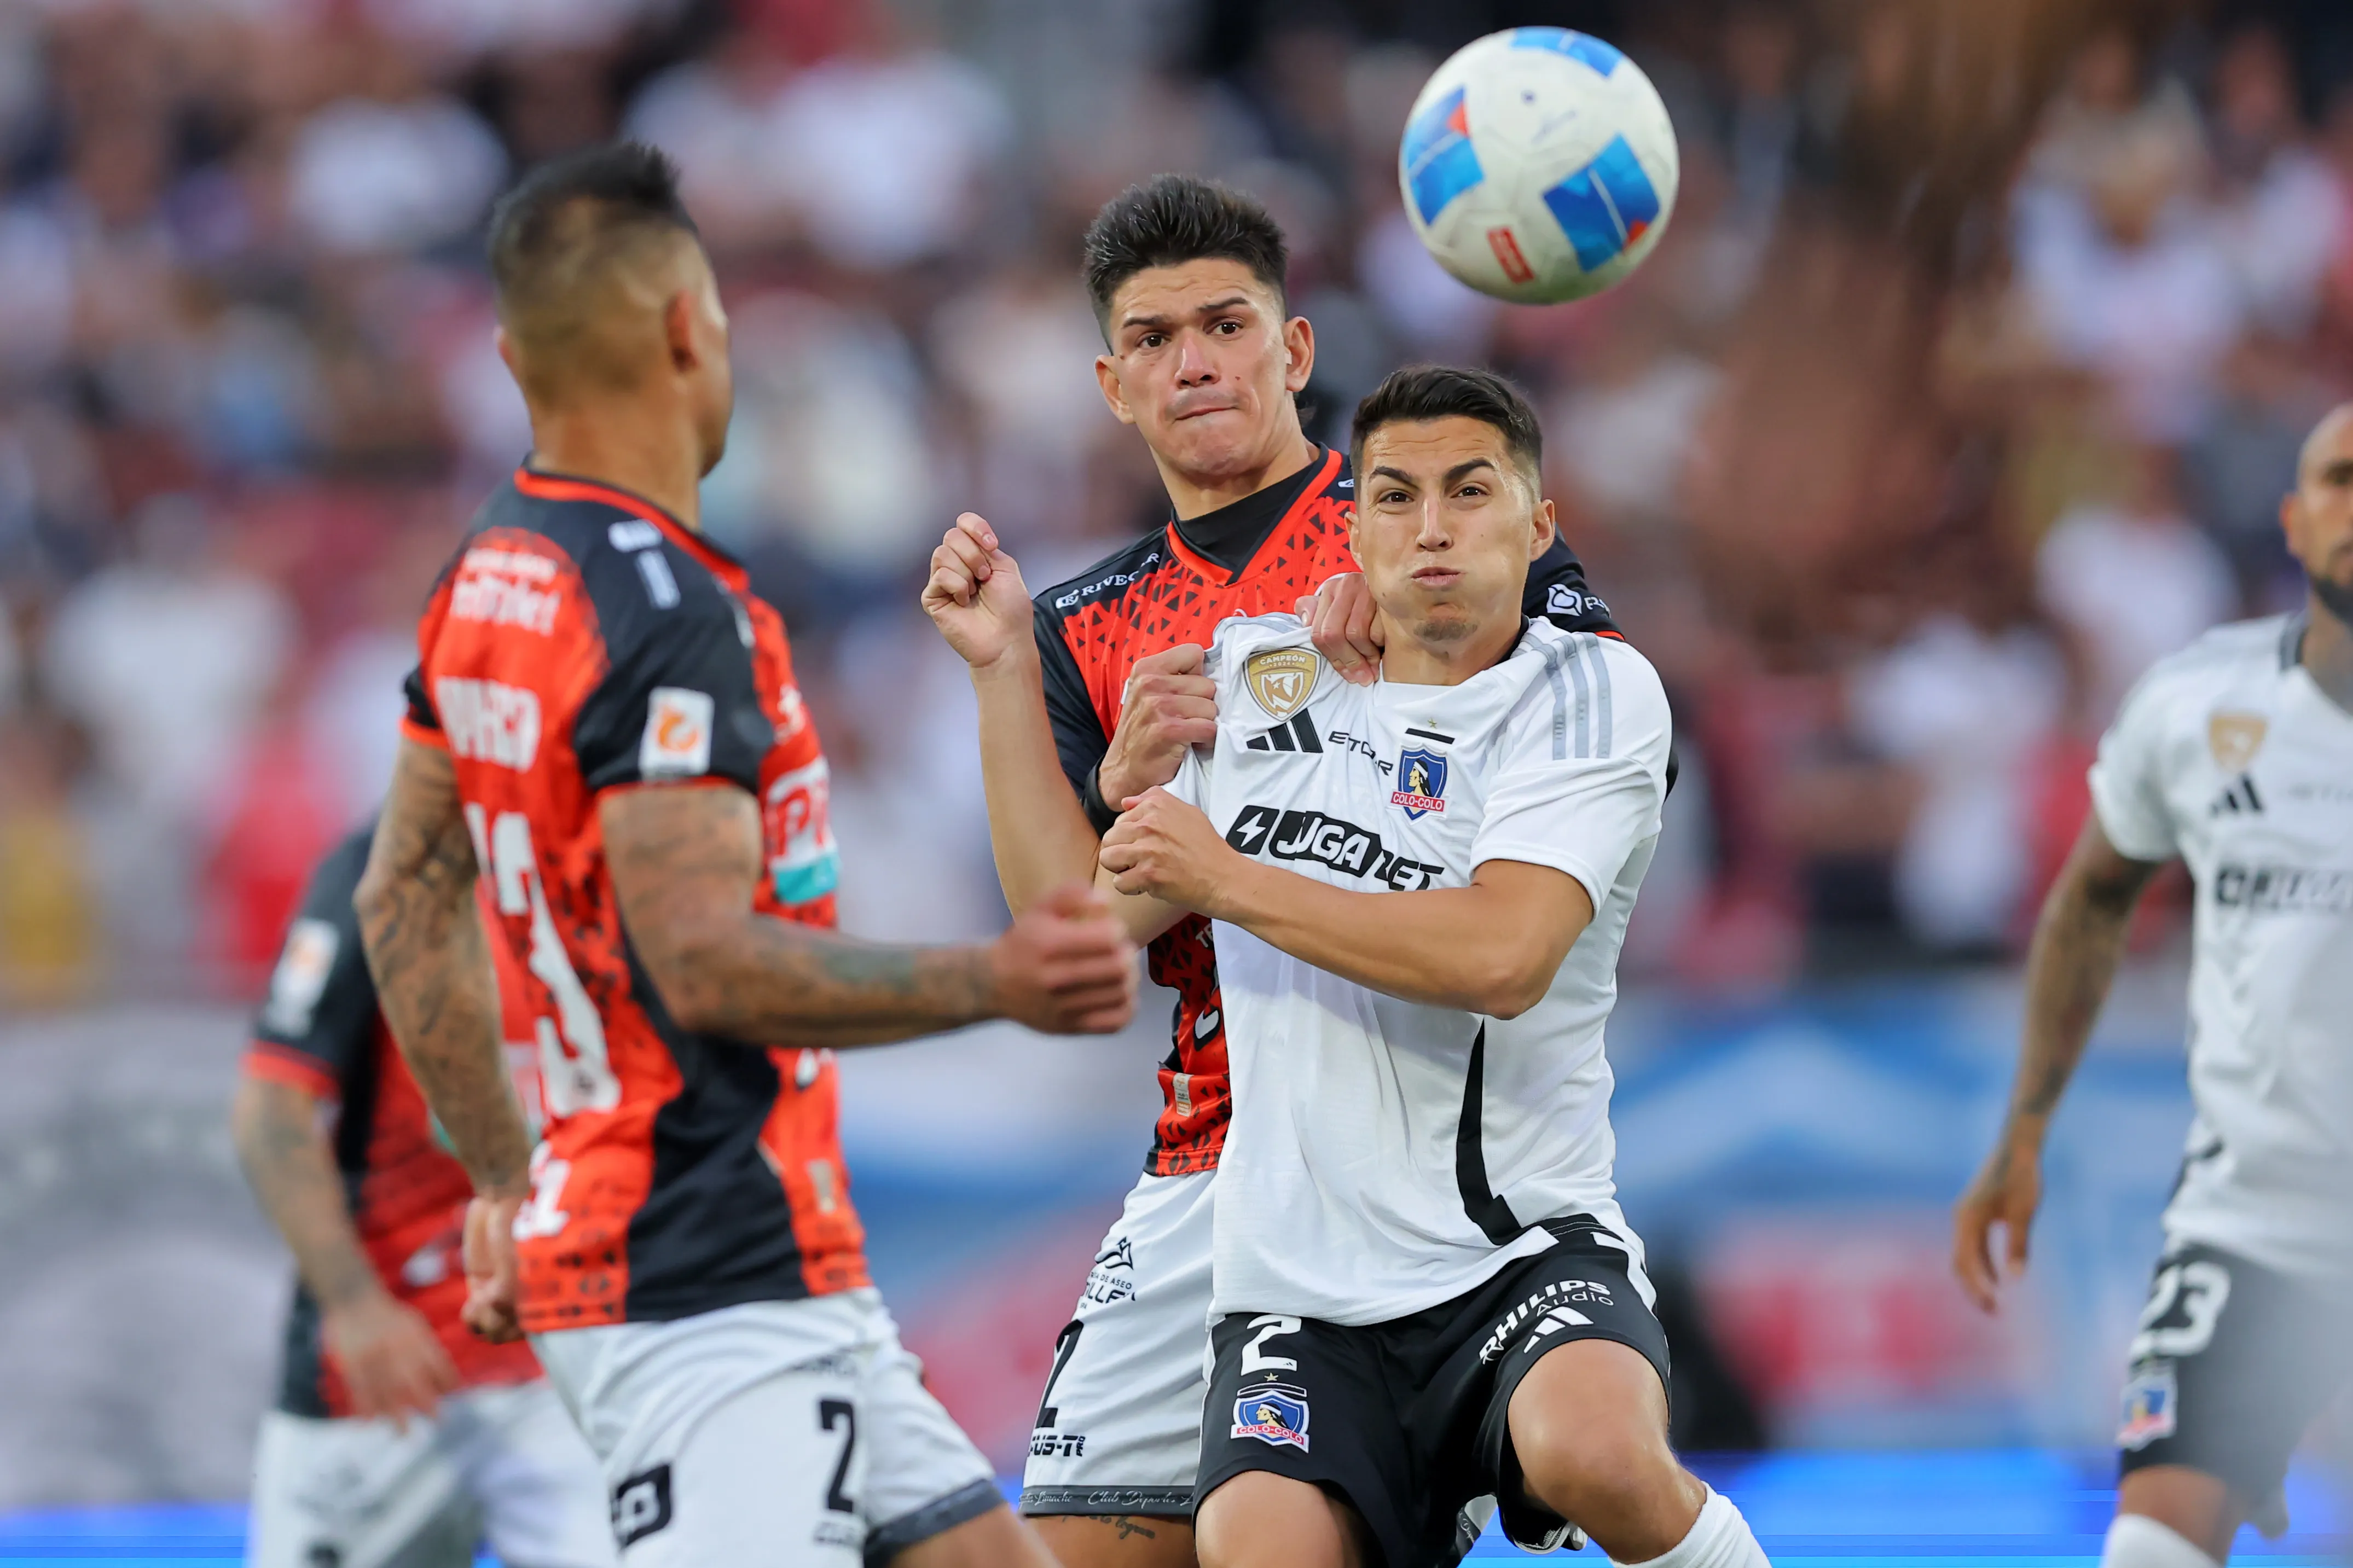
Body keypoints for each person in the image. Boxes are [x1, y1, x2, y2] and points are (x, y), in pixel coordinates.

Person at [352, 142, 1139, 1568]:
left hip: (759, 1262)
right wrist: (994, 979)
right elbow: (702, 960)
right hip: (696, 1279)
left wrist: (493, 1179)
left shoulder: (490, 574)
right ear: (683, 329)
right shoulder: (669, 609)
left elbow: (402, 891)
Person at [931, 364, 1769, 1568]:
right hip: (1298, 1294)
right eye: (1393, 496)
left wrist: (1221, 874)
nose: (1429, 526)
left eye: (1467, 491)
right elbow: (1077, 927)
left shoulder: (1591, 690)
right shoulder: (1258, 683)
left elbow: (1502, 955)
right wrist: (1022, 686)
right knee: (1243, 1548)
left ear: (1537, 526)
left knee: (1599, 1452)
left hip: (1513, 1249)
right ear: (1354, 528)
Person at [1954, 403, 2353, 1568]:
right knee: (2146, 1552)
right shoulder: (2198, 703)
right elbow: (2088, 896)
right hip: (2254, 1217)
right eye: (2339, 477)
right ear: (2290, 519)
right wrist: (2022, 1130)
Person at [235, 823, 613, 1568]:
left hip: (565, 1367)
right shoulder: (377, 871)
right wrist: (354, 1304)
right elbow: (271, 1109)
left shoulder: (612, 861)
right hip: (388, 1374)